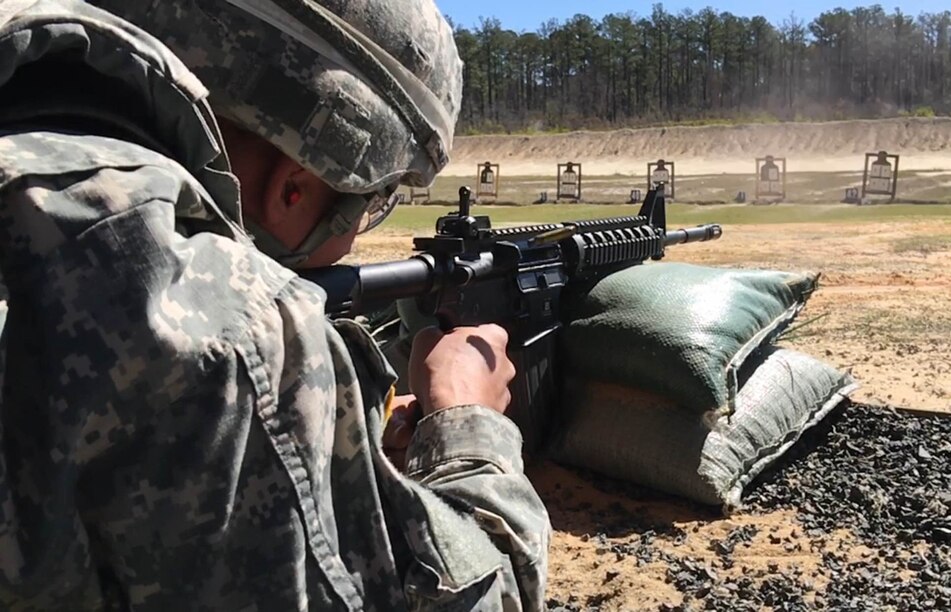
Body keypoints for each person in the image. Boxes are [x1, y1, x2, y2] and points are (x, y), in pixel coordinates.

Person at [0, 0, 550, 609]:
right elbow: (486, 597)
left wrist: (335, 450)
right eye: (371, 205)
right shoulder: (231, 329)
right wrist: (468, 426)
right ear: (294, 187)